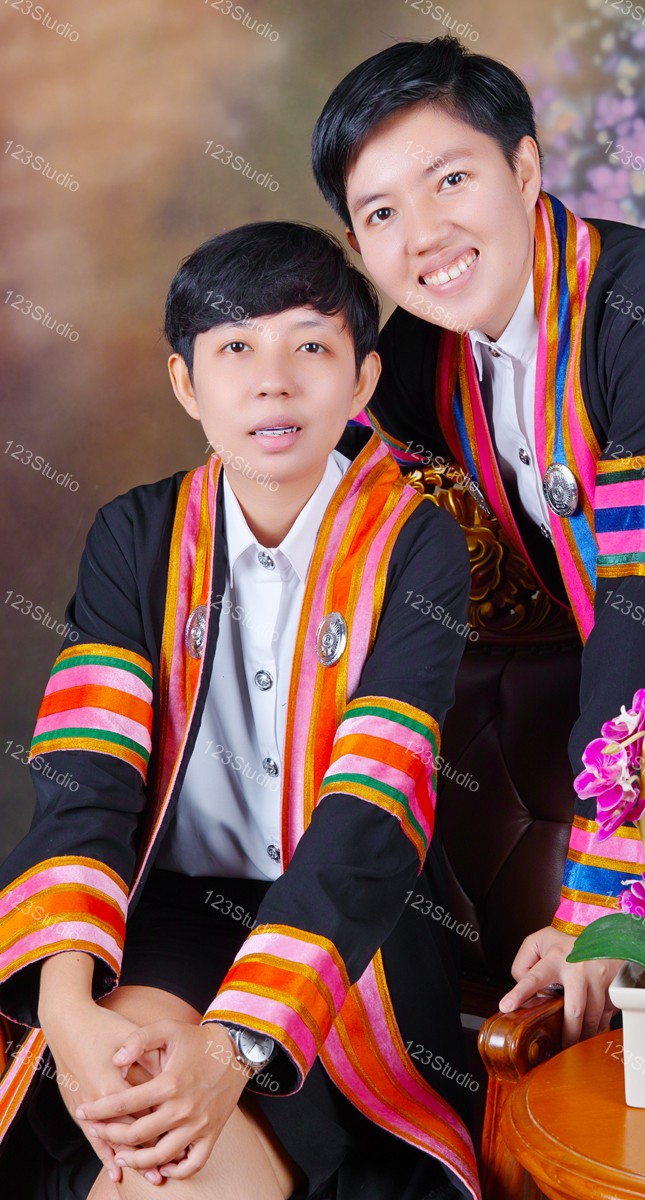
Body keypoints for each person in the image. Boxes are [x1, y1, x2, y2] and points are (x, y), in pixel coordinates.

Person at [311, 35, 645, 1043]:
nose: (426, 234)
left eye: (452, 179)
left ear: (525, 167)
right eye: (382, 213)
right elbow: (321, 475)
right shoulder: (422, 356)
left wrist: (602, 899)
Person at [0, 221, 480, 1200]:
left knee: (166, 1167)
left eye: (310, 346)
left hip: (353, 933)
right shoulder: (137, 535)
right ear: (186, 384)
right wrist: (66, 1007)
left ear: (361, 379)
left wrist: (233, 1046)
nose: (273, 383)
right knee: (133, 1108)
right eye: (235, 349)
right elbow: (85, 777)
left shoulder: (413, 544)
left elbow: (372, 809)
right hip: (169, 913)